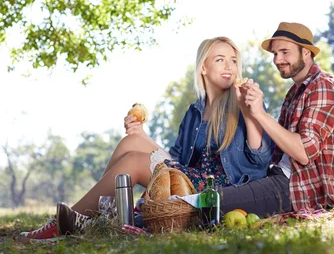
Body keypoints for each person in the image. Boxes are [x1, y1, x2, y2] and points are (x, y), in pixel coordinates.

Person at [21, 36, 274, 239]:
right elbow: (175, 160)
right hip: (186, 179)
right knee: (131, 142)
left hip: (213, 190)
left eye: (233, 60)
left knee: (134, 161)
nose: (229, 66)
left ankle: (66, 224)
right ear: (204, 67)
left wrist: (250, 112)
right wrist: (143, 136)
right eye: (220, 59)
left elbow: (259, 161)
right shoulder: (195, 112)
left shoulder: (240, 103)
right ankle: (96, 216)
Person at [219, 22, 334, 217]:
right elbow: (271, 152)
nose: (278, 60)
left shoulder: (325, 87)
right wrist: (246, 110)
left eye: (285, 52)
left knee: (213, 203)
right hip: (283, 179)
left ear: (306, 53)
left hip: (303, 191)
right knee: (216, 193)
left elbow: (303, 152)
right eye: (275, 54)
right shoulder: (295, 92)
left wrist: (261, 114)